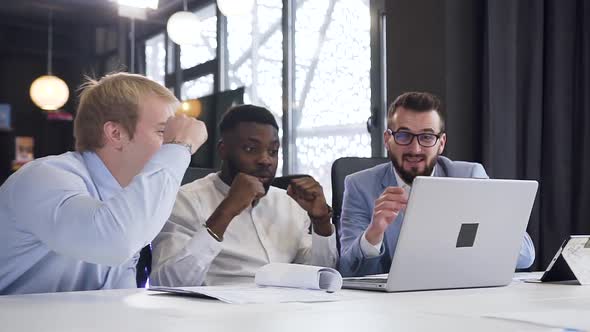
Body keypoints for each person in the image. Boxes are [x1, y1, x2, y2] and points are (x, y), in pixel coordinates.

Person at [0, 72, 207, 295]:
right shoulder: (43, 177)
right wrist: (178, 146)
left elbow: (117, 296)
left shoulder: (130, 198)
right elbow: (116, 242)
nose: (167, 145)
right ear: (115, 134)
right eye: (162, 132)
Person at [338, 92, 535, 277]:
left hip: (458, 296)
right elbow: (347, 271)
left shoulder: (469, 177)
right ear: (387, 140)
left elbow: (526, 255)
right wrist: (374, 234)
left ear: (441, 143)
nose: (415, 149)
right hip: (390, 306)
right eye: (404, 135)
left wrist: (478, 221)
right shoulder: (359, 186)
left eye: (426, 137)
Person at [150, 104, 338, 286]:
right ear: (223, 150)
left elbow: (321, 277)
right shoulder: (185, 200)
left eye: (273, 151)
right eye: (250, 149)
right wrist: (226, 210)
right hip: (218, 313)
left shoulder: (290, 203)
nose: (265, 160)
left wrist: (321, 223)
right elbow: (168, 283)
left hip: (285, 311)